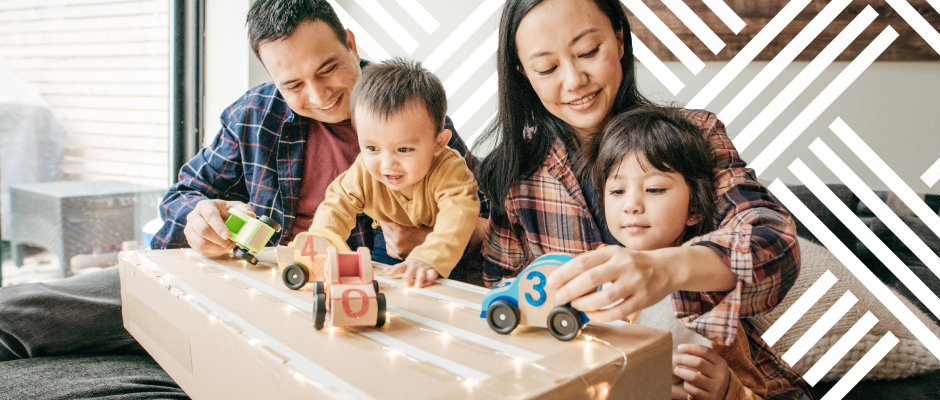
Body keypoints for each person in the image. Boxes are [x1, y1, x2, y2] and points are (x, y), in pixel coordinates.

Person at [0, 0, 486, 397]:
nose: (318, 94)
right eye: (293, 84)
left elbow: (484, 219)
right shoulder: (256, 114)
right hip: (240, 277)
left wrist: (424, 242)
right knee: (23, 312)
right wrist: (201, 216)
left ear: (351, 44)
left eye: (329, 68)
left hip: (342, 298)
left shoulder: (409, 107)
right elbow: (183, 193)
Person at [473, 0, 813, 398]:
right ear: (523, 74)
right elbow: (499, 294)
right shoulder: (514, 172)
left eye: (587, 52)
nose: (574, 80)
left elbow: (775, 244)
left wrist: (666, 269)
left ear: (618, 40)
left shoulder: (692, 134)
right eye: (546, 68)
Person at [590, 107, 768, 400]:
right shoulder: (592, 267)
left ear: (694, 208)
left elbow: (754, 391)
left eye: (655, 189)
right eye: (617, 191)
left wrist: (725, 388)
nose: (631, 205)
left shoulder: (709, 293)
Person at [311, 58, 480, 287]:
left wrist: (428, 258)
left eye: (403, 149)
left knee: (445, 294)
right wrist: (320, 241)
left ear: (438, 143)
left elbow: (459, 214)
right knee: (379, 287)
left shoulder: (449, 169)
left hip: (446, 250)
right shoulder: (364, 171)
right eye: (372, 148)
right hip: (387, 247)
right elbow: (337, 204)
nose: (387, 164)